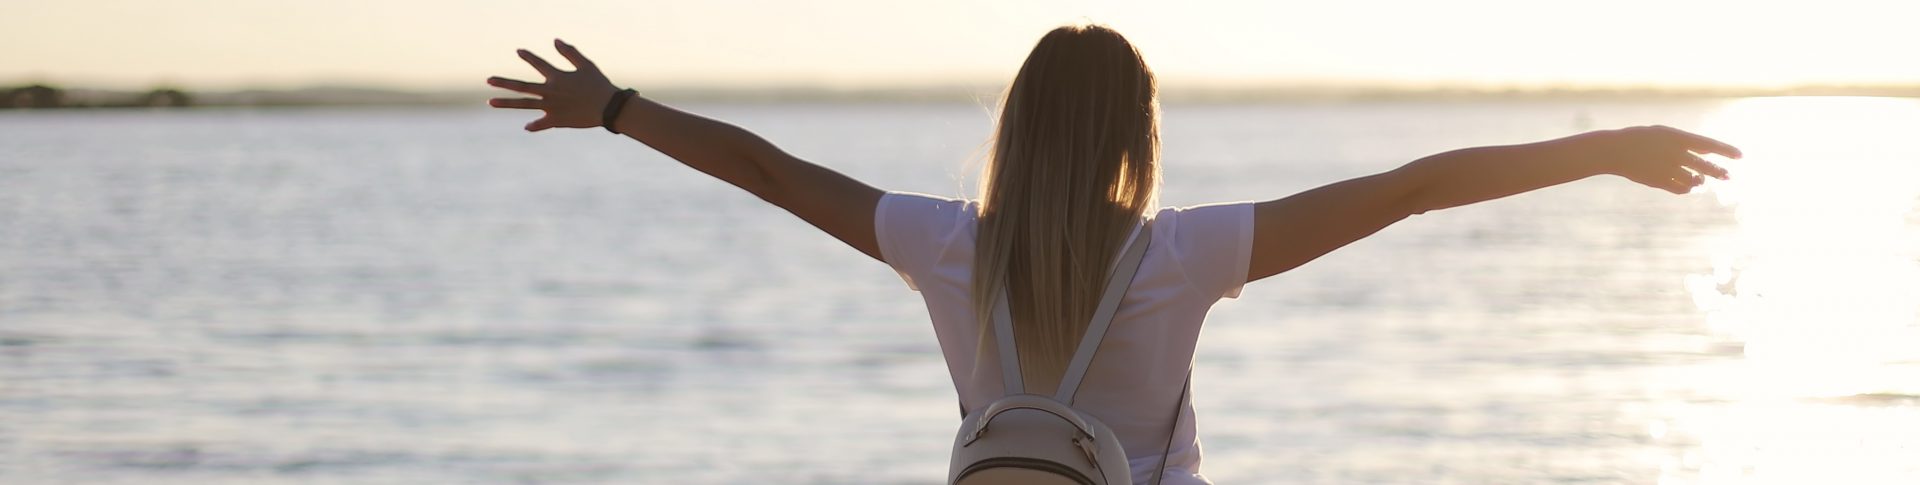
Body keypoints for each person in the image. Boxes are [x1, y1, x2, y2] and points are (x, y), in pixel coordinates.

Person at [485, 24, 1739, 485]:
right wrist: (1602, 146)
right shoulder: (1184, 255)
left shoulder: (941, 242)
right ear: (1138, 136)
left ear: (1019, 126)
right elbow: (1409, 189)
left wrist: (616, 109)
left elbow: (767, 170)